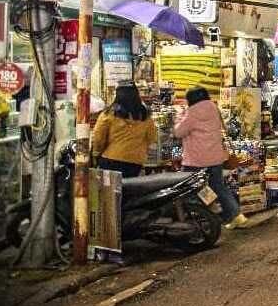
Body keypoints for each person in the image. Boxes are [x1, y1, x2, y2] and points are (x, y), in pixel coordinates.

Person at [173, 87, 249, 229]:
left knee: (192, 187)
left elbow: (178, 132)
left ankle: (211, 210)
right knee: (218, 186)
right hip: (215, 157)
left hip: (195, 159)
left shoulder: (191, 112)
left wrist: (179, 116)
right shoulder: (214, 108)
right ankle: (236, 215)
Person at [91, 82, 157, 178]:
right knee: (129, 190)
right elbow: (152, 137)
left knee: (111, 191)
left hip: (111, 160)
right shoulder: (145, 115)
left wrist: (96, 154)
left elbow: (98, 137)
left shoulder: (109, 113)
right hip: (135, 162)